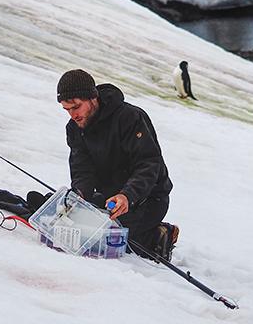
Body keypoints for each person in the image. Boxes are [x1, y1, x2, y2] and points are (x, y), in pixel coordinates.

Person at [56, 68, 179, 261]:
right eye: (67, 110)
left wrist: (127, 195)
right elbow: (82, 169)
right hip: (109, 199)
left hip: (147, 199)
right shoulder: (74, 128)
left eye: (76, 107)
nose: (73, 115)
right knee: (79, 225)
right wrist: (80, 194)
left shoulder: (130, 117)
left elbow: (148, 164)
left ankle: (161, 234)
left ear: (92, 98)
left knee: (111, 239)